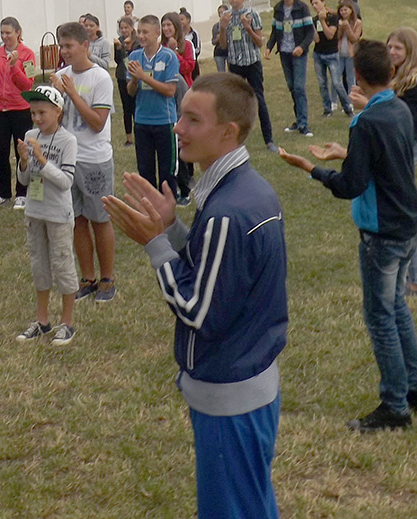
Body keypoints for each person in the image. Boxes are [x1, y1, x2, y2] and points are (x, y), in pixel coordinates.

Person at [103, 73, 287, 519]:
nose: (178, 128)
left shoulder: (228, 210)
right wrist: (173, 227)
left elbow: (198, 310)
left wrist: (154, 243)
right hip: (249, 383)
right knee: (252, 502)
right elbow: (221, 271)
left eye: (192, 119)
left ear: (228, 132)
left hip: (229, 397)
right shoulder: (245, 190)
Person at [278, 41, 417, 432]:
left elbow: (350, 186)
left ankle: (396, 407)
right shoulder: (398, 109)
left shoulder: (365, 123)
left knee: (381, 318)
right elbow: (384, 162)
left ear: (357, 76)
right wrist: (348, 151)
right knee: (397, 308)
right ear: (391, 73)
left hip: (381, 234)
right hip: (408, 225)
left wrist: (310, 167)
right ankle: (415, 389)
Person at [53, 22, 117, 304]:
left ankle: (107, 279)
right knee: (77, 219)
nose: (65, 52)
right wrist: (54, 99)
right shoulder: (60, 76)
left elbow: (96, 123)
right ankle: (87, 278)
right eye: (62, 46)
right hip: (68, 160)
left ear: (85, 46)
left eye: (70, 46)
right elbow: (53, 122)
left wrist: (72, 94)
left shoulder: (100, 78)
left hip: (94, 159)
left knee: (99, 220)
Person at [13, 86, 79, 345]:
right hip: (35, 210)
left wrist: (41, 159)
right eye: (33, 113)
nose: (37, 118)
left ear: (58, 111)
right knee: (39, 264)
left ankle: (68, 322)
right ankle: (42, 320)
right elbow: (24, 179)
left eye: (42, 112)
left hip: (59, 213)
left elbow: (66, 182)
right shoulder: (30, 135)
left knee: (63, 264)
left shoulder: (68, 141)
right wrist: (24, 162)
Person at [375, 29, 417, 300]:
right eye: (389, 47)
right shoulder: (398, 76)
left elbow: (401, 121)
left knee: (405, 212)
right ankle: (413, 279)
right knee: (404, 210)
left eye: (398, 48)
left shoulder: (416, 82)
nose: (392, 52)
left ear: (410, 50)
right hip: (399, 146)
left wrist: (370, 104)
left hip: (407, 147)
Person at [127, 15, 182, 198]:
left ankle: (169, 214)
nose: (141, 36)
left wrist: (144, 77)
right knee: (145, 172)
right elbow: (130, 92)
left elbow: (170, 91)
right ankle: (150, 214)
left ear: (157, 33)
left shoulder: (168, 56)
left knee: (167, 173)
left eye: (145, 32)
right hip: (142, 121)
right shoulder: (134, 56)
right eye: (139, 32)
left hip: (165, 122)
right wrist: (135, 79)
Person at [0, 18, 37, 210]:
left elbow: (27, 85)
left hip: (20, 109)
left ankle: (22, 193)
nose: (5, 36)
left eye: (8, 32)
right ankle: (3, 193)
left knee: (21, 152)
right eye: (2, 33)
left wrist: (15, 66)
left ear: (17, 32)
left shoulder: (27, 53)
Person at [219, 0, 276, 152]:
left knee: (258, 99)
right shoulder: (226, 17)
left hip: (252, 62)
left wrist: (247, 27)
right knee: (235, 102)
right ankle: (235, 141)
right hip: (235, 63)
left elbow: (259, 43)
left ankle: (269, 140)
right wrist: (223, 28)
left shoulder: (252, 14)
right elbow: (223, 45)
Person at [266, 0, 314, 137]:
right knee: (292, 87)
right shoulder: (278, 9)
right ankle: (298, 120)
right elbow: (275, 31)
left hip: (298, 52)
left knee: (299, 88)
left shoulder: (302, 8)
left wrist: (301, 47)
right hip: (285, 53)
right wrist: (269, 47)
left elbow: (310, 32)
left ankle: (304, 124)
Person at [310, 0, 353, 118]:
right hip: (318, 54)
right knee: (322, 83)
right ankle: (327, 109)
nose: (314, 6)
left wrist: (322, 20)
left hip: (332, 54)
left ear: (323, 3)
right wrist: (311, 26)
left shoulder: (333, 17)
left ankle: (347, 107)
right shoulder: (314, 20)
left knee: (336, 82)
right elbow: (317, 39)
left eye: (317, 3)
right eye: (312, 4)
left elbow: (330, 35)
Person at [114, 17, 139, 147]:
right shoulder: (118, 41)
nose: (123, 30)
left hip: (134, 77)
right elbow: (118, 61)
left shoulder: (137, 41)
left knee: (136, 106)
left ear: (131, 28)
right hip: (122, 76)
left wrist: (125, 48)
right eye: (121, 28)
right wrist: (119, 48)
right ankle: (129, 138)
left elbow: (132, 59)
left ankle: (139, 134)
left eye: (126, 28)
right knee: (126, 108)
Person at [163, 11, 197, 90]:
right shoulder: (160, 46)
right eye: (163, 25)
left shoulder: (187, 45)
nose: (165, 28)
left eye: (168, 25)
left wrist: (174, 52)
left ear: (176, 26)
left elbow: (187, 68)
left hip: (183, 86)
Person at [336, 0, 362, 95]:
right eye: (341, 10)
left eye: (345, 10)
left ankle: (351, 100)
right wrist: (340, 28)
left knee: (350, 78)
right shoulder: (339, 22)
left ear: (351, 10)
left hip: (351, 54)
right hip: (340, 52)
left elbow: (354, 39)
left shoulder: (357, 22)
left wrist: (346, 27)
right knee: (337, 78)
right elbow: (337, 37)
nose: (343, 12)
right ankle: (337, 101)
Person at [178, 8, 202, 75]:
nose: (180, 22)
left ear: (188, 20)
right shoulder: (177, 34)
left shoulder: (194, 34)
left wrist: (189, 55)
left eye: (182, 20)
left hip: (192, 63)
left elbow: (197, 49)